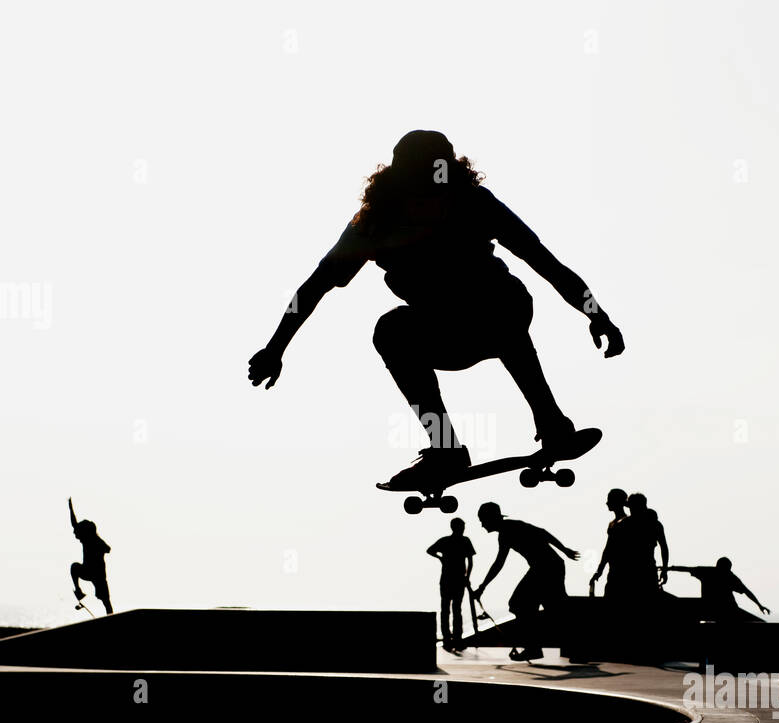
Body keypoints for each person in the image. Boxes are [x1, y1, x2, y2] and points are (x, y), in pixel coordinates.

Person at [247, 130, 625, 490]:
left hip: (495, 312)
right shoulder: (373, 223)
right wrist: (275, 347)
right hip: (442, 332)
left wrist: (596, 313)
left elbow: (545, 262)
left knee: (495, 302)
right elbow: (313, 287)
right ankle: (445, 447)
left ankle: (551, 420)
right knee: (391, 328)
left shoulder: (474, 203)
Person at [472, 502, 579, 661]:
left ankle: (535, 648)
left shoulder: (511, 528)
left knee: (519, 604)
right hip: (547, 567)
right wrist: (482, 587)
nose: (481, 524)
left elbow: (542, 533)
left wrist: (565, 550)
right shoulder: (505, 533)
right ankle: (564, 648)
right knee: (553, 610)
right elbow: (499, 563)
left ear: (491, 518)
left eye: (482, 520)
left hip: (546, 568)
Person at [427, 518, 475, 653]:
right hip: (456, 579)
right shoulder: (464, 541)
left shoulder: (447, 541)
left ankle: (449, 640)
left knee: (448, 610)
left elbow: (430, 550)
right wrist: (467, 577)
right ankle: (454, 640)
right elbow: (470, 562)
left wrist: (441, 558)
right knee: (454, 610)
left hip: (450, 579)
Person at [668, 558, 769, 621]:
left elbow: (686, 569)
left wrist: (669, 568)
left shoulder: (707, 571)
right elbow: (747, 592)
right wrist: (759, 605)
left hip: (716, 608)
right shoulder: (729, 576)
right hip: (728, 609)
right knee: (759, 622)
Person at [69, 498, 113, 615]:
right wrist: (70, 508)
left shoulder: (92, 540)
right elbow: (75, 524)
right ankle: (79, 591)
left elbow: (108, 549)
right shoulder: (87, 539)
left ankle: (111, 616)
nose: (76, 535)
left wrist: (99, 548)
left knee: (106, 601)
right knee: (74, 567)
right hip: (88, 570)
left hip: (98, 575)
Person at [589, 489, 630, 597]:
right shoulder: (612, 524)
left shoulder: (625, 523)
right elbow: (608, 550)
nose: (607, 503)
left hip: (623, 571)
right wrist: (600, 570)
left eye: (609, 500)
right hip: (614, 570)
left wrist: (600, 571)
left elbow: (609, 549)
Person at [625, 492, 670, 591]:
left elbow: (664, 548)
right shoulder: (655, 524)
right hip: (642, 569)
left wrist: (665, 569)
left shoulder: (627, 524)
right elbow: (664, 548)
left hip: (638, 570)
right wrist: (664, 569)